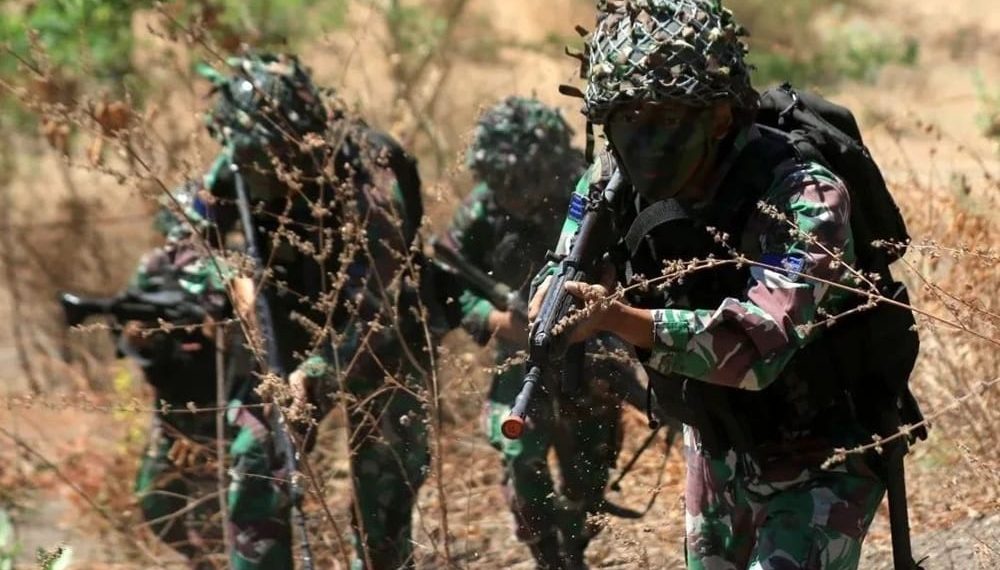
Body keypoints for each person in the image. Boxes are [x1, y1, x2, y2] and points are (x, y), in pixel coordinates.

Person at [530, 1, 910, 568]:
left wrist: (614, 318)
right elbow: (564, 265)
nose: (641, 141)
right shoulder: (609, 183)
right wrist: (555, 295)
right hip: (717, 447)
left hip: (822, 450)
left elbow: (757, 345)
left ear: (719, 115)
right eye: (624, 119)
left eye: (661, 117)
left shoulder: (805, 195)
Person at [197, 52, 432, 569]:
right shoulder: (237, 160)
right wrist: (229, 275)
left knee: (384, 504)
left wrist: (318, 372)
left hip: (380, 338)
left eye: (276, 154)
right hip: (284, 327)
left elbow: (380, 309)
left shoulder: (371, 173)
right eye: (255, 158)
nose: (265, 170)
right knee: (256, 467)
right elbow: (186, 237)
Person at [437, 96, 635, 569]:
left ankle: (574, 543)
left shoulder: (591, 194)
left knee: (589, 470)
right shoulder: (482, 211)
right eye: (505, 185)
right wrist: (497, 321)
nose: (516, 196)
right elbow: (449, 282)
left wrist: (605, 314)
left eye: (525, 184)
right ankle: (548, 553)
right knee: (519, 452)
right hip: (521, 357)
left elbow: (636, 265)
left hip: (593, 353)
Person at [126, 189, 233, 568]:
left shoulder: (227, 273)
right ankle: (200, 559)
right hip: (172, 405)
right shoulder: (155, 266)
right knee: (154, 499)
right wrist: (142, 339)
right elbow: (137, 330)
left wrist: (214, 328)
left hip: (217, 407)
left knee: (213, 513)